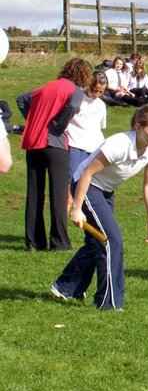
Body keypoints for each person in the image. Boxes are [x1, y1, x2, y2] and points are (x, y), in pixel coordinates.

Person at [49, 105, 148, 309]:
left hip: (106, 191)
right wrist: (76, 208)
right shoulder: (119, 144)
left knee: (97, 242)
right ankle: (109, 303)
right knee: (111, 241)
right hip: (87, 187)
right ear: (138, 127)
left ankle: (66, 286)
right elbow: (86, 174)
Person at [17, 58, 91, 251]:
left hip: (33, 142)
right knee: (58, 194)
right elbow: (74, 107)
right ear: (83, 75)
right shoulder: (74, 90)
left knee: (34, 192)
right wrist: (58, 125)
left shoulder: (47, 87)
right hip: (54, 144)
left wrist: (34, 120)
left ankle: (34, 242)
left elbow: (22, 99)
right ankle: (60, 242)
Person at [66, 71, 108, 207]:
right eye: (94, 90)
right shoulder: (77, 99)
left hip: (94, 147)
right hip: (76, 145)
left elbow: (100, 127)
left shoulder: (101, 105)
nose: (96, 94)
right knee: (70, 182)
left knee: (92, 182)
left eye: (101, 92)